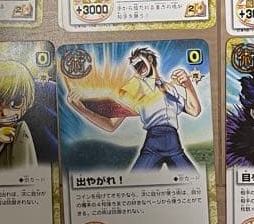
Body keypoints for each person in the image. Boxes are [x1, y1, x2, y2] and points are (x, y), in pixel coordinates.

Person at [69, 47, 200, 170]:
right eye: (135, 66)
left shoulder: (170, 88)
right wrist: (82, 110)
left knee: (193, 179)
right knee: (136, 180)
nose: (138, 68)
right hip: (153, 144)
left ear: (150, 59)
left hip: (174, 145)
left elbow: (194, 110)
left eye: (140, 63)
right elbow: (111, 125)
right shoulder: (133, 89)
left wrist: (188, 85)